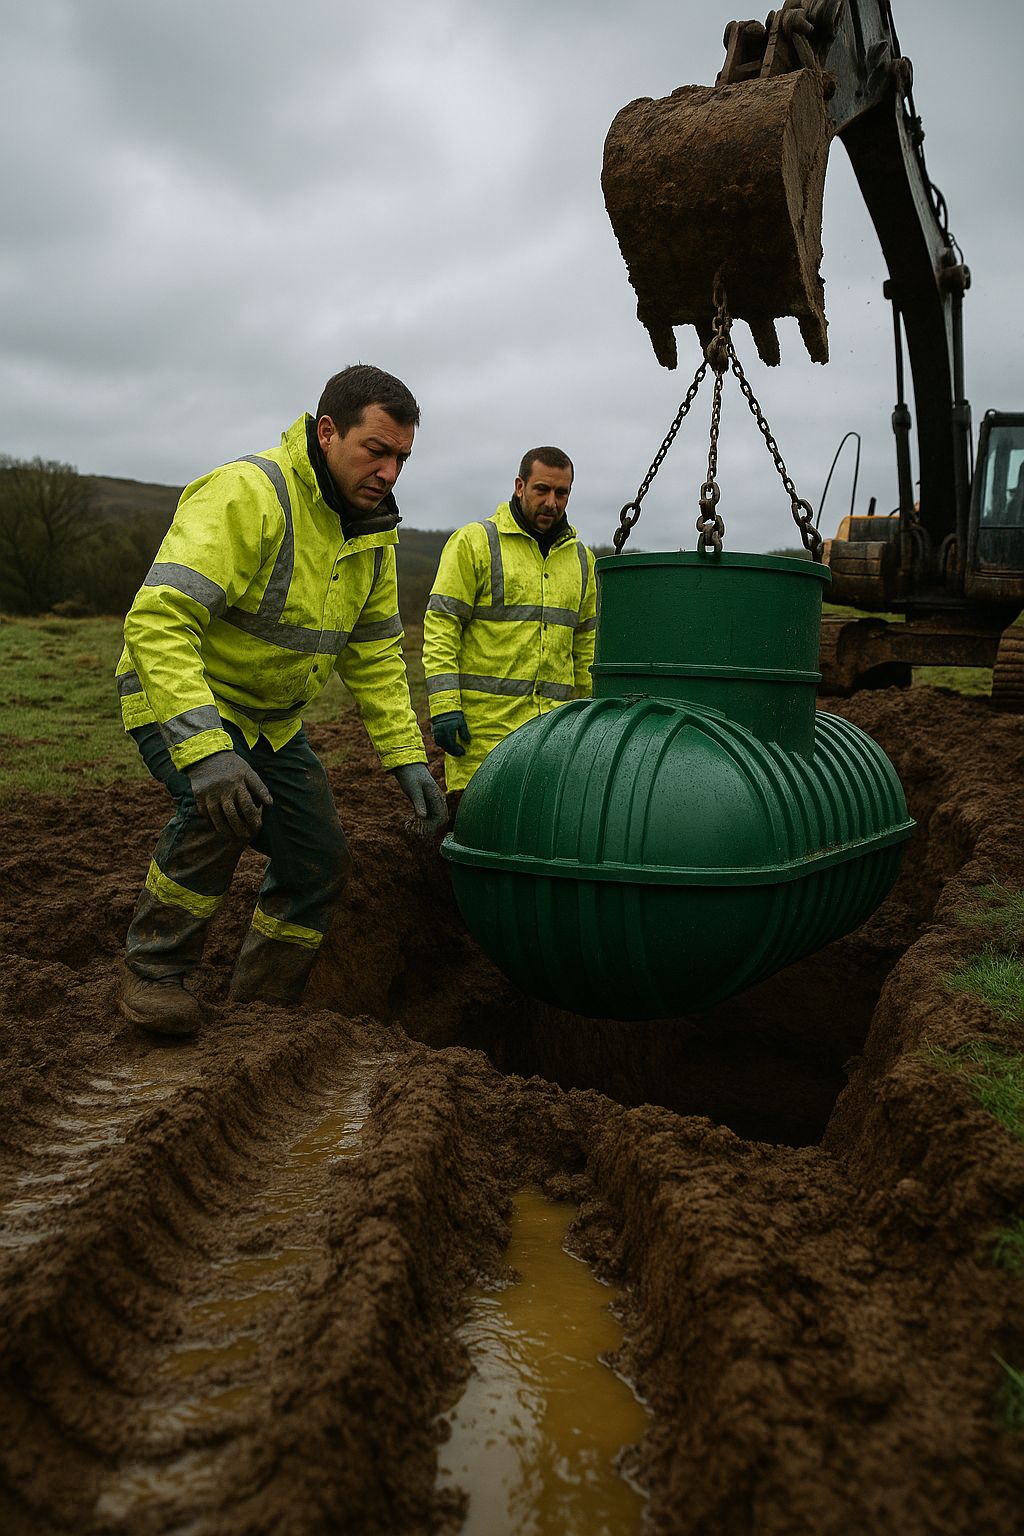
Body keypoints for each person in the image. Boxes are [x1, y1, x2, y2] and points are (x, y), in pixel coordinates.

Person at [115, 364, 446, 1036]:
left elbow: (377, 655)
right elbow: (159, 620)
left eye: (401, 458)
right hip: (179, 699)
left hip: (269, 725)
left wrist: (407, 759)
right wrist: (206, 750)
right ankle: (152, 974)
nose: (388, 473)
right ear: (327, 432)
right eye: (375, 451)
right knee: (220, 808)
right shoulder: (248, 493)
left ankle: (263, 1008)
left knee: (319, 860)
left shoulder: (372, 533)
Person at [422, 446, 597, 799]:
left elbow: (587, 647)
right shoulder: (475, 543)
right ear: (520, 486)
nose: (552, 502)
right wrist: (444, 707)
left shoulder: (581, 560)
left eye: (561, 493)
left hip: (554, 740)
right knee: (475, 842)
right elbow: (442, 628)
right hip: (482, 738)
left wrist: (593, 720)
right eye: (541, 490)